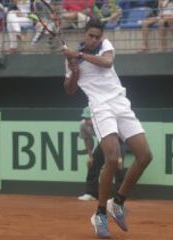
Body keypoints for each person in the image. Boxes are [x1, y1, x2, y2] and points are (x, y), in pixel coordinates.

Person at [62, 18, 153, 239]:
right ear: (84, 34)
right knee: (111, 159)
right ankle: (100, 213)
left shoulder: (104, 47)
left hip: (121, 104)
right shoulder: (72, 59)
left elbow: (107, 63)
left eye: (97, 36)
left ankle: (118, 202)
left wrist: (80, 56)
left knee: (145, 156)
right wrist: (74, 69)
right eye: (90, 35)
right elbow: (70, 90)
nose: (93, 39)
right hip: (100, 108)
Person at [78, 106, 127, 201]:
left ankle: (119, 195)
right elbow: (87, 139)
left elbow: (115, 138)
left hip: (120, 141)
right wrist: (90, 156)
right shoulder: (83, 125)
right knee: (93, 164)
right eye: (85, 118)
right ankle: (91, 193)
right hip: (104, 142)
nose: (87, 121)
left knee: (117, 164)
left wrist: (119, 157)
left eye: (89, 118)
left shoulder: (105, 123)